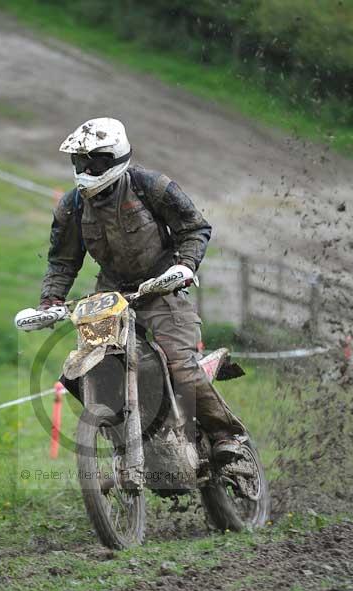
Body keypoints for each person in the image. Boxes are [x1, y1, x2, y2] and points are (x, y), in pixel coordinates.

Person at [39, 117, 245, 459]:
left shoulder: (150, 185)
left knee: (181, 365)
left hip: (162, 287)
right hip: (110, 298)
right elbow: (62, 261)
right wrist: (50, 302)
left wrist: (184, 266)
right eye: (80, 160)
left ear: (116, 157)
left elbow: (195, 228)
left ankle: (226, 435)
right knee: (82, 372)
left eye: (96, 160)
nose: (87, 168)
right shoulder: (72, 205)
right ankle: (134, 438)